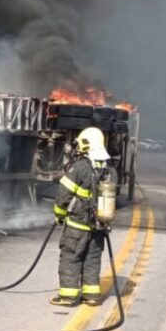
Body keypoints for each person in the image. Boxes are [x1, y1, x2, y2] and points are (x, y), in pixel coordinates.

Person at [51, 126, 115, 307]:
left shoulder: (79, 167)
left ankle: (68, 296)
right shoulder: (111, 170)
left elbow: (64, 194)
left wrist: (59, 214)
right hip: (99, 226)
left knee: (71, 257)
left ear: (86, 144)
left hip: (77, 225)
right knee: (92, 259)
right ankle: (91, 296)